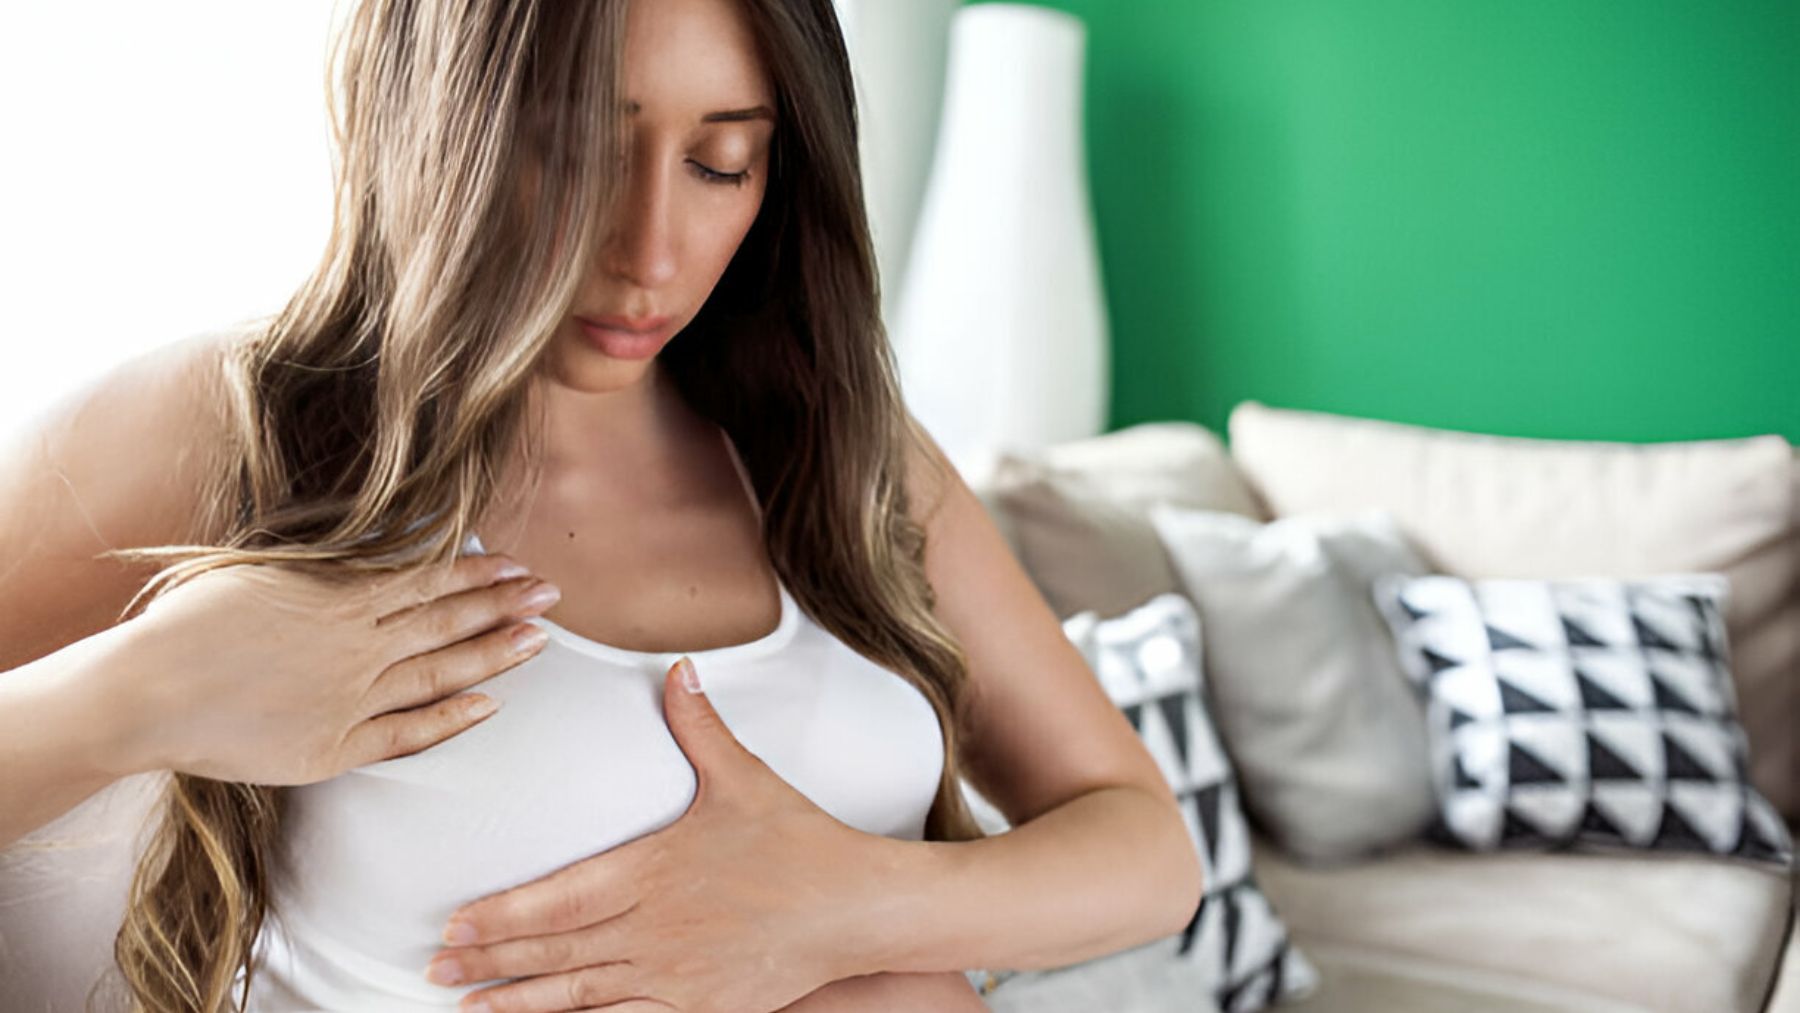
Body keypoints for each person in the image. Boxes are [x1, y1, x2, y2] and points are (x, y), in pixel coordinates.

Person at [0, 0, 1205, 1010]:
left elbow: (1147, 851)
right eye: (574, 149)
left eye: (722, 161)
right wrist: (145, 690)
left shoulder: (839, 445)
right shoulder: (248, 423)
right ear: (439, 122)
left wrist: (834, 903)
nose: (649, 252)